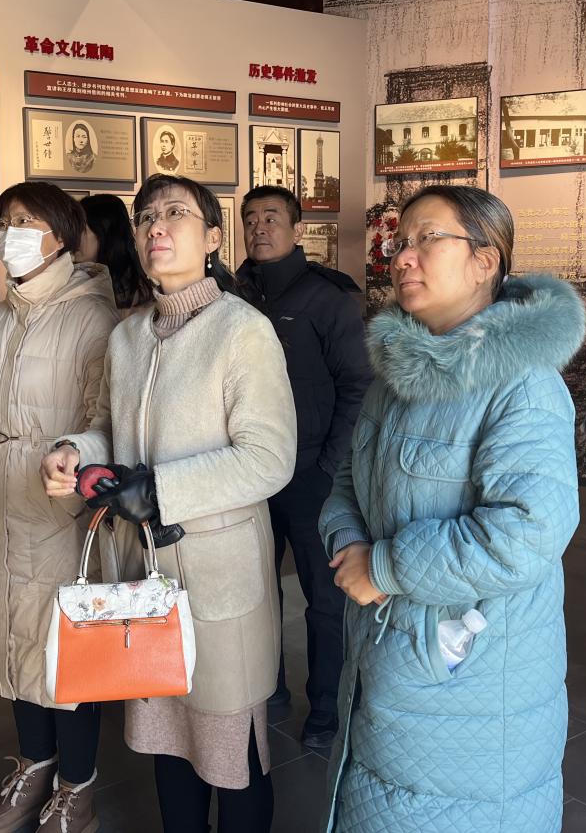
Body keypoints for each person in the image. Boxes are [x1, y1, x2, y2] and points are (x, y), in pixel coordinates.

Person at [319, 185, 584, 833]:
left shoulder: (523, 385)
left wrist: (384, 567)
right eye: (400, 241)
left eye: (427, 239)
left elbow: (526, 533)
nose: (402, 256)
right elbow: (350, 478)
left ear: (485, 261)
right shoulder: (399, 374)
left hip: (470, 674)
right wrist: (349, 541)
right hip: (388, 650)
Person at [41, 173, 297, 833]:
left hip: (218, 576)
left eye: (177, 213)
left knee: (232, 756)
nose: (157, 225)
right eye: (147, 215)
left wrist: (158, 489)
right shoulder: (128, 336)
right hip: (145, 575)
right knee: (167, 747)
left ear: (212, 238)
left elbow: (269, 458)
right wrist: (76, 449)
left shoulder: (242, 331)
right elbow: (107, 424)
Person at [0, 181, 118, 833]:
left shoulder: (94, 317)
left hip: (56, 508)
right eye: (4, 221)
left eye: (25, 221)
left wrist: (74, 457)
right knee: (10, 640)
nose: (8, 233)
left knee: (64, 652)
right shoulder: (0, 316)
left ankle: (78, 786)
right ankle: (34, 764)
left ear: (62, 236)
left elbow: (106, 419)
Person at [235, 184, 372, 750]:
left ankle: (326, 708)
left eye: (271, 218)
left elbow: (358, 384)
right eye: (250, 219)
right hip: (247, 473)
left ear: (296, 229)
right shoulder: (233, 294)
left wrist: (329, 467)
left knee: (325, 598)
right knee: (254, 591)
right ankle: (267, 688)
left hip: (310, 472)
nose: (259, 228)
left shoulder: (327, 297)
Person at [75, 193, 155, 313]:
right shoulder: (75, 278)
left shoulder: (134, 294)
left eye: (80, 230)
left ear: (104, 232)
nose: (72, 238)